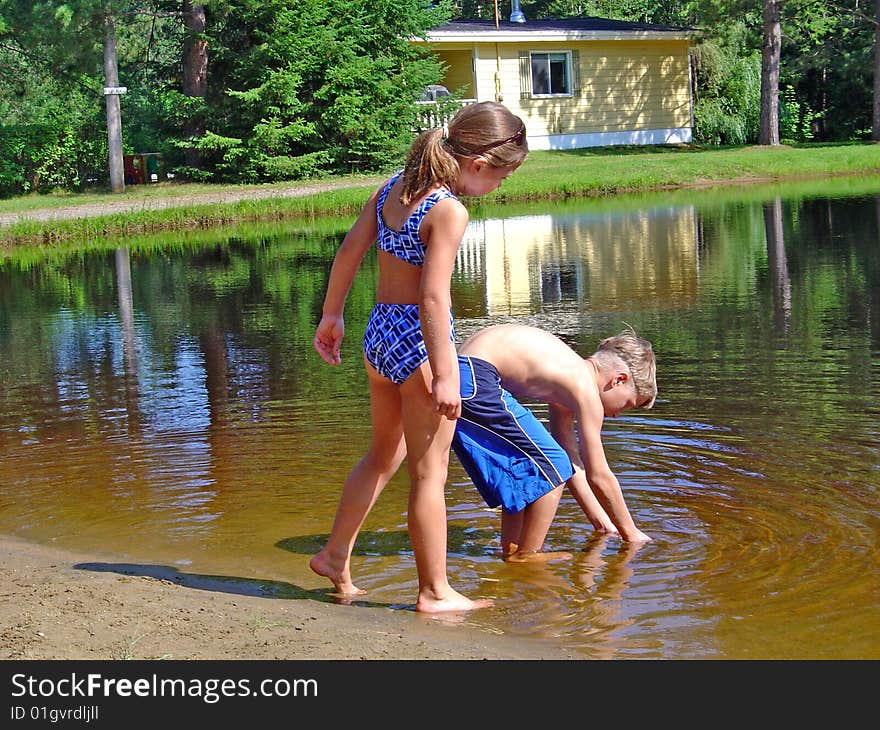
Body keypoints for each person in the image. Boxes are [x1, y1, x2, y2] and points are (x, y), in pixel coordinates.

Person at [310, 101, 528, 612]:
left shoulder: (393, 188)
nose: (499, 186)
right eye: (502, 176)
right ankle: (435, 591)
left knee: (383, 456)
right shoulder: (449, 210)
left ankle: (335, 555)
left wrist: (332, 316)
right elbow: (433, 299)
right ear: (478, 165)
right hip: (418, 347)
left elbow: (349, 253)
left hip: (378, 335)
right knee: (430, 476)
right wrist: (447, 375)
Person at [453, 323, 657, 561]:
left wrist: (602, 522)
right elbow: (598, 474)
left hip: (464, 374)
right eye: (627, 404)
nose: (618, 414)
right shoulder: (585, 389)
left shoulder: (567, 381)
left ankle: (510, 550)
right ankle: (527, 556)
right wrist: (630, 533)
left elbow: (572, 464)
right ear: (618, 380)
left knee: (529, 467)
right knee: (551, 463)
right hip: (475, 377)